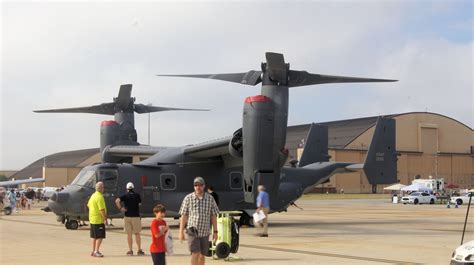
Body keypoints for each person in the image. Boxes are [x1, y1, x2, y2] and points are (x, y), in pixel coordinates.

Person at [179, 176, 219, 265]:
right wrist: (181, 231)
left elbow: (213, 216)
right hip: (193, 230)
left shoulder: (210, 199)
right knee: (195, 253)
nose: (198, 187)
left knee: (202, 254)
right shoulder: (188, 198)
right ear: (194, 186)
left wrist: (215, 232)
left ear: (204, 186)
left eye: (200, 185)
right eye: (196, 185)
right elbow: (184, 215)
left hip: (205, 231)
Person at [115, 182, 144, 256]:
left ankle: (130, 250)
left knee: (129, 234)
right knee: (137, 233)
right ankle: (139, 250)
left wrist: (121, 208)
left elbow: (117, 201)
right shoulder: (137, 195)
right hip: (136, 216)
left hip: (127, 216)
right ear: (133, 188)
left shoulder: (125, 195)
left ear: (127, 189)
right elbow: (140, 204)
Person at [87, 182, 108, 258]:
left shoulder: (93, 195)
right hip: (98, 220)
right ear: (101, 188)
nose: (104, 188)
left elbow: (88, 205)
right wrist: (105, 218)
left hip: (92, 219)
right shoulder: (100, 197)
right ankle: (96, 251)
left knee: (94, 236)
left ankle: (93, 251)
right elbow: (102, 209)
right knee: (100, 236)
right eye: (103, 187)